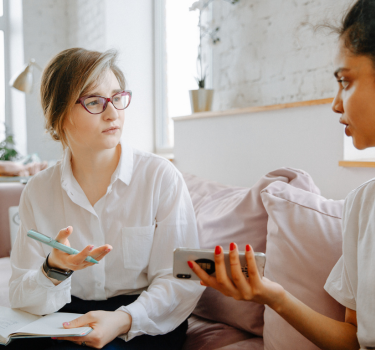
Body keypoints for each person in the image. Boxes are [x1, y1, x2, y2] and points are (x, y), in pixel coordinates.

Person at [189, 0, 375, 349]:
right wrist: (271, 295)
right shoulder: (364, 204)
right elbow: (353, 340)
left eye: (345, 81)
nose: (336, 103)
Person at [9, 48, 204, 350]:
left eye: (117, 97)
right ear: (59, 116)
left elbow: (181, 280)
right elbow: (22, 293)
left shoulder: (159, 177)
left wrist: (124, 319)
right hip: (68, 313)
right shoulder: (38, 190)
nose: (113, 113)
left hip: (143, 319)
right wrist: (53, 269)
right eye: (94, 102)